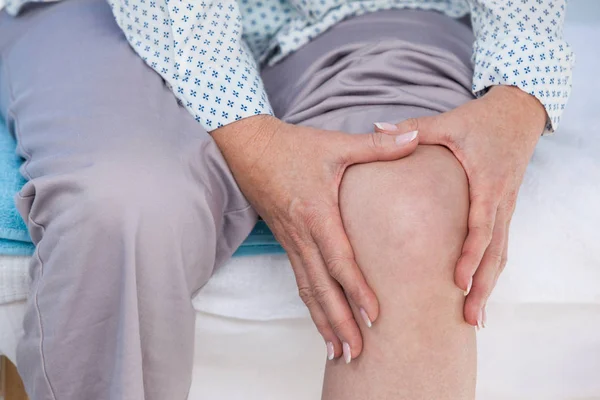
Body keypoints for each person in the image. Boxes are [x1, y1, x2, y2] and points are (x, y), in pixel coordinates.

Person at [0, 0, 573, 398]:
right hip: (104, 15)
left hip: (373, 12)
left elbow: (522, 50)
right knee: (123, 207)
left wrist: (519, 93)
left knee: (414, 213)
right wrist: (250, 135)